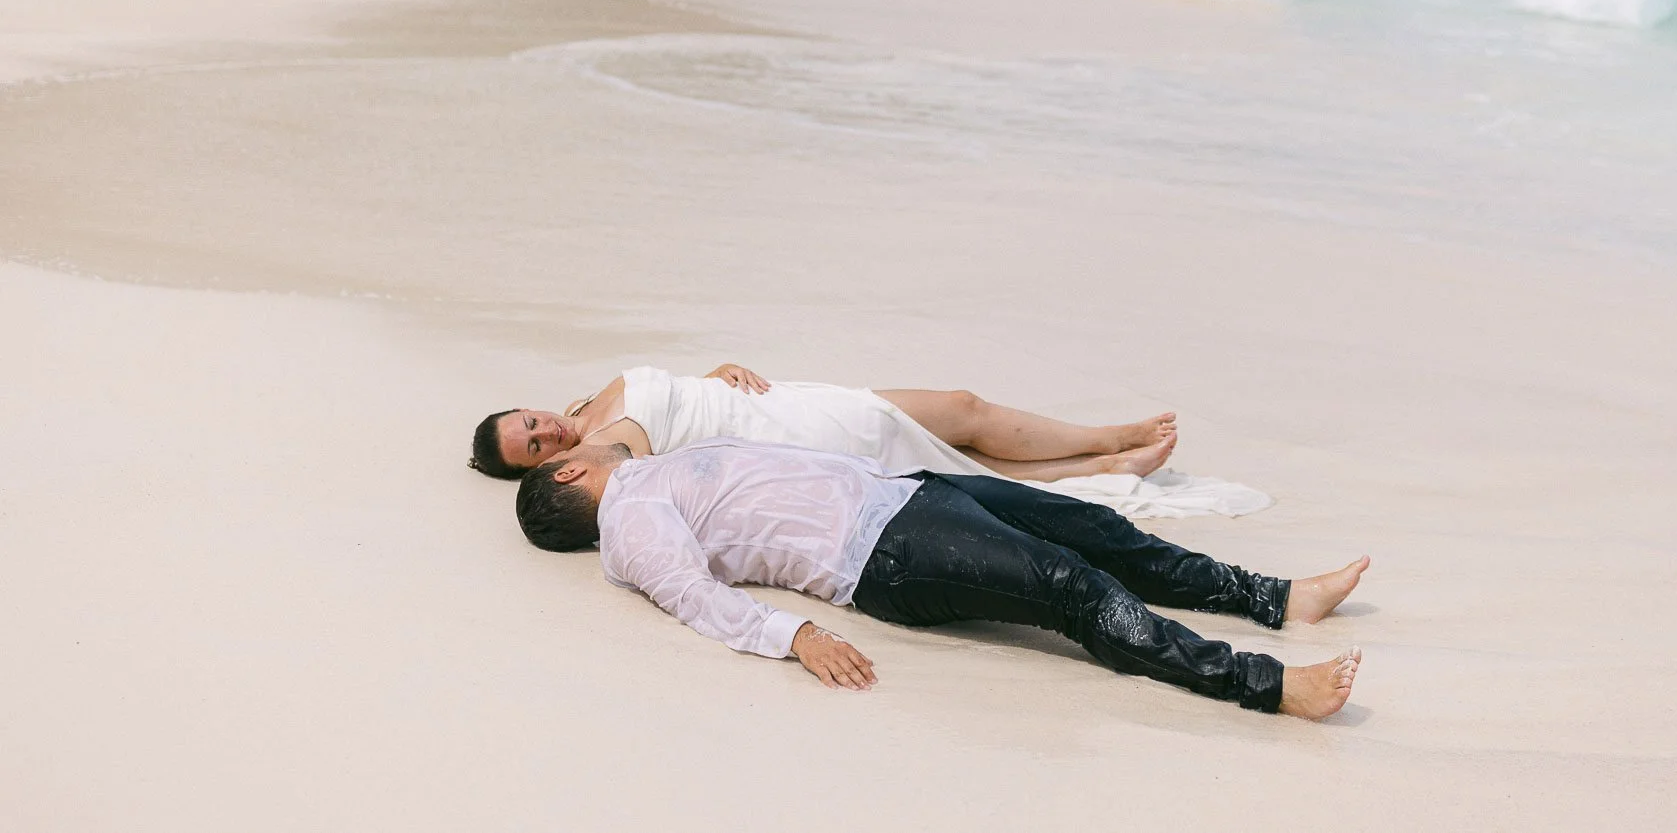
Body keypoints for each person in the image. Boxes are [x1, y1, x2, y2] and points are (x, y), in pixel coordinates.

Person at [514, 438, 1367, 718]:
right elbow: (693, 594)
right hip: (887, 552)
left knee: (1093, 527)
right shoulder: (627, 518)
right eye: (562, 450)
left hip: (907, 495)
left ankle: (1273, 597)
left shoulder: (646, 468)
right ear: (562, 477)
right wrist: (794, 635)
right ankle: (1265, 684)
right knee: (1070, 585)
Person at [471, 363, 1269, 518]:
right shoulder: (609, 440)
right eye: (534, 449)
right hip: (784, 430)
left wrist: (713, 370)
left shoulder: (593, 398)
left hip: (774, 398)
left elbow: (670, 393)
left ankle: (1094, 456)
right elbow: (633, 467)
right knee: (947, 427)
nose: (544, 431)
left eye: (529, 422)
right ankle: (1103, 449)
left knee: (952, 422)